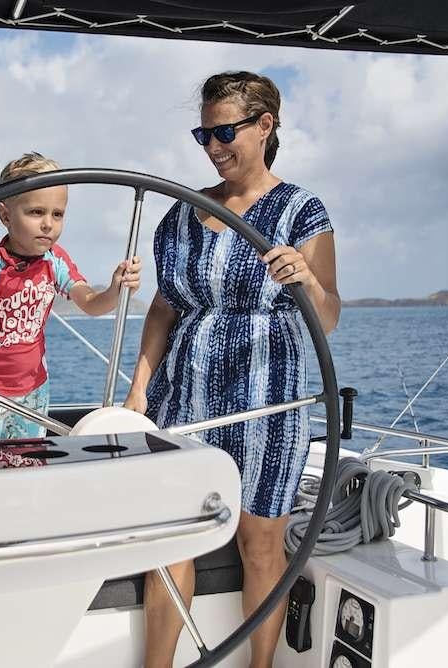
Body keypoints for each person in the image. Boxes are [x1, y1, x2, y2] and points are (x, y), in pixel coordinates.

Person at [123, 72, 340, 668]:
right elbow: (164, 307)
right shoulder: (183, 213)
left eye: (225, 132)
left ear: (265, 126)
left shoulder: (301, 210)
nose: (214, 147)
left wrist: (308, 279)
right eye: (204, 134)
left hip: (267, 406)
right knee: (173, 541)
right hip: (184, 400)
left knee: (261, 544)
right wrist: (140, 388)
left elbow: (330, 316)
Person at [0, 152, 143, 442]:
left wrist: (115, 290)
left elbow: (89, 302)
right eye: (36, 212)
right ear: (5, 215)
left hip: (34, 392)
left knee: (27, 462)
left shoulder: (55, 261)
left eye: (57, 214)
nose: (48, 224)